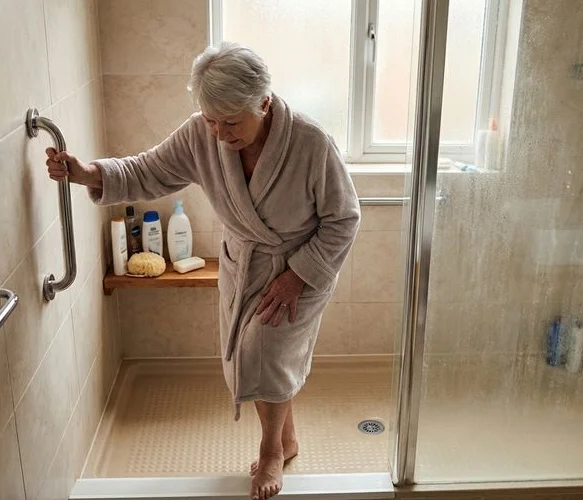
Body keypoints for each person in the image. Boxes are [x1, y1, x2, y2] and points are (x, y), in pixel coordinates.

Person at [46, 42, 360, 500]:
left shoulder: (311, 144)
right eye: (212, 120)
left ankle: (272, 450)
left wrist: (297, 277)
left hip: (299, 266)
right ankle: (288, 436)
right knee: (259, 358)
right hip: (243, 262)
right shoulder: (201, 133)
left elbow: (344, 219)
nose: (219, 133)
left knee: (265, 352)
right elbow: (147, 170)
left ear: (263, 103)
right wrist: (88, 173)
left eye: (231, 122)